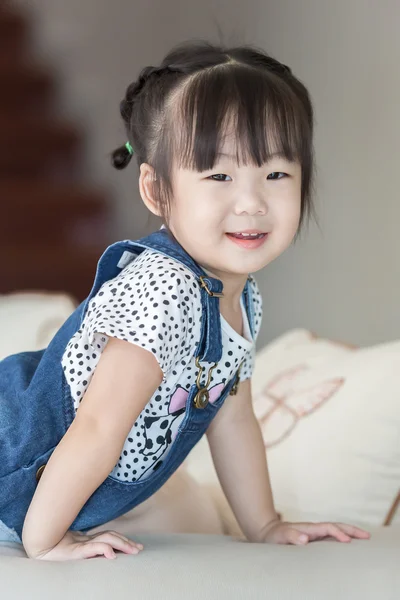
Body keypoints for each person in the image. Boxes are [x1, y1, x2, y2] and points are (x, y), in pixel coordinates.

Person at [0, 40, 370, 561]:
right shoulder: (163, 291)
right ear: (156, 191)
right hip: (14, 466)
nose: (251, 202)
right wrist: (46, 540)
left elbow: (232, 414)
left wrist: (265, 525)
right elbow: (99, 425)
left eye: (277, 174)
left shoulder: (242, 298)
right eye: (219, 176)